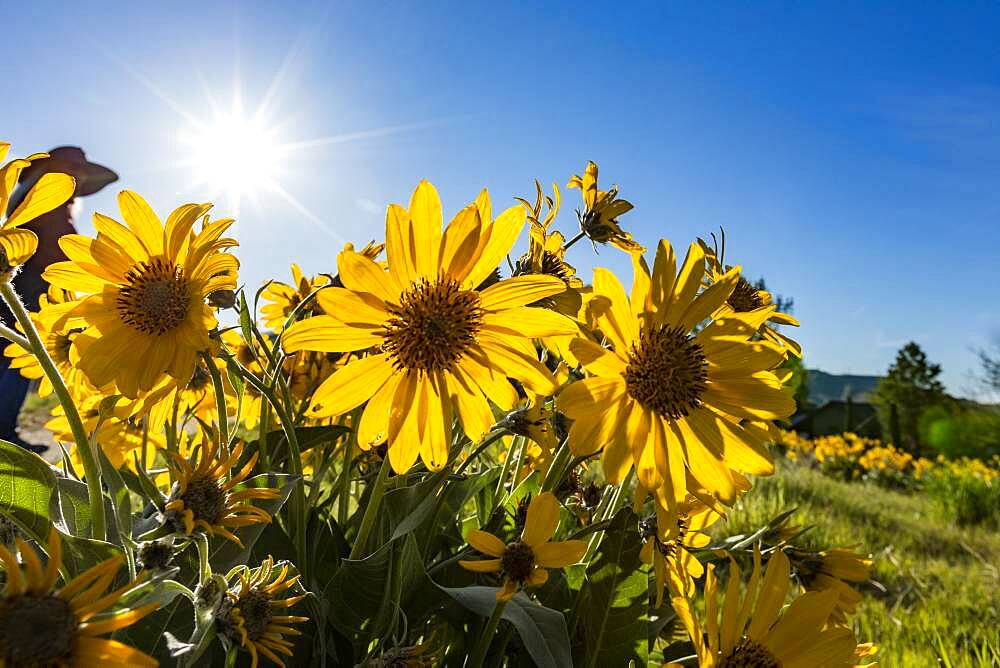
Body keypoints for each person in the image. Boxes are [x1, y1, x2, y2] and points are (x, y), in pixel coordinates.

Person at [0, 147, 117, 453]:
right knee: (18, 361)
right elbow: (55, 243)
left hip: (20, 286)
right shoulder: (47, 196)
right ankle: (4, 434)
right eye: (74, 170)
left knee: (12, 359)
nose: (78, 178)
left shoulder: (30, 195)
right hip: (27, 289)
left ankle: (6, 431)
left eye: (81, 174)